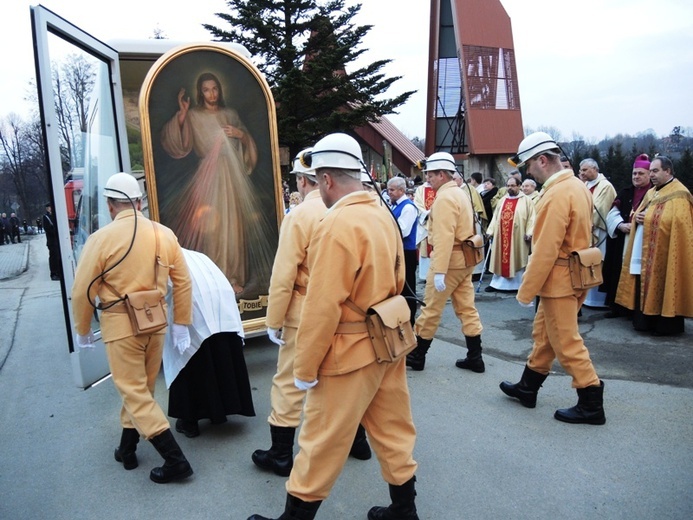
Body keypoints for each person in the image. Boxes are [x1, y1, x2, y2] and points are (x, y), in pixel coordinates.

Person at [248, 133, 419, 520]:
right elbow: (401, 274)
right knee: (393, 429)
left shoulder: (337, 222)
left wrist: (306, 369)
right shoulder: (381, 210)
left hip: (350, 350)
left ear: (325, 179)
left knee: (320, 440)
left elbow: (322, 307)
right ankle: (404, 510)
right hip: (387, 339)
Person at [253, 149, 372, 479]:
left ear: (305, 181)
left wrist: (273, 320)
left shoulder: (299, 216)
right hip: (348, 310)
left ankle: (280, 453)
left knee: (289, 381)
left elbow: (283, 274)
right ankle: (357, 441)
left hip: (305, 310)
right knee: (341, 376)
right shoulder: (358, 209)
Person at [71, 172, 195, 483]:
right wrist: (181, 323)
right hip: (156, 322)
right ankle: (127, 449)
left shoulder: (100, 239)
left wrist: (83, 328)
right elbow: (182, 282)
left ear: (111, 205)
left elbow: (82, 289)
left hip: (121, 326)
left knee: (134, 391)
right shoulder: (164, 234)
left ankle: (175, 460)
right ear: (139, 202)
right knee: (142, 389)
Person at [500, 132, 606, 425]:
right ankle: (527, 387)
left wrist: (525, 291)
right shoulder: (576, 185)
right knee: (546, 336)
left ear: (542, 160)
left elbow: (545, 248)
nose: (527, 173)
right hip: (575, 272)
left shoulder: (557, 192)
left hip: (559, 277)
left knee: (565, 341)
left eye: (529, 166)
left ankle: (591, 398)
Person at [161, 71, 274, 296]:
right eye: (206, 90)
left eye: (214, 89)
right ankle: (214, 275)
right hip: (208, 177)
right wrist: (182, 114)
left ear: (219, 90)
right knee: (211, 226)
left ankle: (234, 277)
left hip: (233, 178)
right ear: (200, 93)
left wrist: (240, 135)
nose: (211, 94)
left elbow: (248, 147)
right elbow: (177, 144)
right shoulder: (193, 115)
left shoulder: (230, 114)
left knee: (234, 227)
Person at [406, 152, 486, 373]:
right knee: (467, 308)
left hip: (449, 262)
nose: (427, 179)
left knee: (431, 309)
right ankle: (475, 356)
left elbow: (444, 237)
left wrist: (439, 271)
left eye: (430, 174)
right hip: (464, 261)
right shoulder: (460, 193)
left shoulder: (445, 198)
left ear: (441, 174)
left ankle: (417, 355)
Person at [163, 248, 255, 438]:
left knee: (192, 363)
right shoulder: (197, 255)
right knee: (221, 357)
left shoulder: (164, 258)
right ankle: (220, 410)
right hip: (222, 310)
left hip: (193, 310)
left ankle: (190, 420)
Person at [615, 156, 693, 335]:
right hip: (646, 250)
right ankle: (645, 322)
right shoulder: (652, 193)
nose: (651, 175)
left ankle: (666, 325)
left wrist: (647, 218)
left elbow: (680, 224)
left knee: (667, 281)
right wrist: (639, 218)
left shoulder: (680, 194)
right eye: (650, 171)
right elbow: (642, 214)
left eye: (655, 171)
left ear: (668, 171)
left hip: (667, 252)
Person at [603, 154, 652, 318]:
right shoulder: (625, 192)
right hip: (624, 240)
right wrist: (620, 225)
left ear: (649, 174)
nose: (636, 177)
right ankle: (617, 307)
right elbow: (613, 213)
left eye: (640, 173)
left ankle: (635, 310)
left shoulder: (654, 193)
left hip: (642, 242)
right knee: (618, 271)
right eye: (634, 174)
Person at [485, 176, 535, 292]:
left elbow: (532, 218)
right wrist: (490, 231)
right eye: (508, 185)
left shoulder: (526, 200)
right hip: (501, 236)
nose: (510, 188)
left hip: (518, 236)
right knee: (500, 257)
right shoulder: (502, 200)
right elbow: (495, 217)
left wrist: (529, 232)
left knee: (516, 257)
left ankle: (517, 285)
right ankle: (497, 284)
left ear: (519, 186)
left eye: (513, 186)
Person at [579, 158, 616, 308]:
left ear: (595, 169)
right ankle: (586, 297)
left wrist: (582, 220)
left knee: (597, 261)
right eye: (581, 170)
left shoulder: (605, 186)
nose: (582, 173)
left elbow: (600, 208)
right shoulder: (585, 185)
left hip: (599, 231)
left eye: (585, 170)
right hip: (585, 230)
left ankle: (598, 300)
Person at [387, 177, 419, 325]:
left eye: (392, 190)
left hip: (407, 252)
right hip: (398, 251)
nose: (389, 193)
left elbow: (403, 231)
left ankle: (410, 321)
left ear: (401, 190)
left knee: (407, 288)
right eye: (388, 189)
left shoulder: (408, 207)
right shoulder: (395, 205)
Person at [413, 177, 435, 282]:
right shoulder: (420, 189)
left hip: (439, 223)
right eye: (427, 175)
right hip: (425, 223)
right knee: (425, 249)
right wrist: (427, 213)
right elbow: (417, 204)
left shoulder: (441, 188)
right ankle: (426, 275)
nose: (429, 178)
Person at [42, 203, 61, 280]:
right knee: (53, 257)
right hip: (52, 241)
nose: (50, 209)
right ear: (47, 209)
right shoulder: (46, 217)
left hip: (57, 240)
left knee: (58, 257)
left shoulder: (55, 215)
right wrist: (56, 232)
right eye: (49, 207)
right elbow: (47, 229)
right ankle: (53, 274)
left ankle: (59, 272)